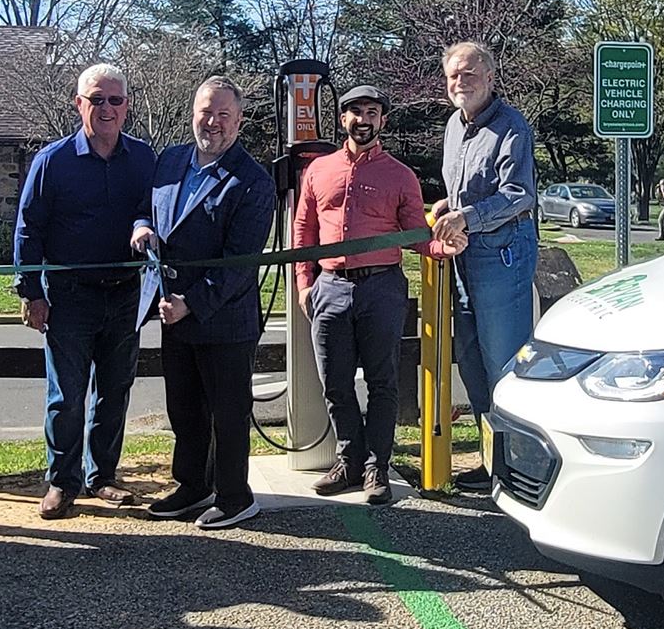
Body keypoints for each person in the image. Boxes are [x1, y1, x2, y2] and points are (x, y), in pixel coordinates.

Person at [294, 84, 453, 506]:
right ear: (342, 119)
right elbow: (304, 229)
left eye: (371, 113)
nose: (363, 120)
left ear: (382, 120)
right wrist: (305, 284)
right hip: (330, 287)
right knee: (335, 383)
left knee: (383, 382)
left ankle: (376, 467)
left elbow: (415, 235)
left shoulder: (400, 175)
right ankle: (348, 460)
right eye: (355, 112)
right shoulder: (319, 170)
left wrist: (442, 247)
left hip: (381, 287)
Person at [130, 77, 275, 530]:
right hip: (172, 313)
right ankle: (193, 486)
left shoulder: (253, 182)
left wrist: (190, 303)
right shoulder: (171, 160)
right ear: (193, 113)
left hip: (223, 318)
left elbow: (239, 264)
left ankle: (235, 497)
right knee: (185, 410)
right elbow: (146, 207)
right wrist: (141, 226)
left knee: (227, 414)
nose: (212, 122)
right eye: (205, 112)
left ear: (239, 121)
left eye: (223, 115)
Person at [14, 63, 157, 517]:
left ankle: (103, 477)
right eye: (97, 99)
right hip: (69, 296)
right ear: (79, 104)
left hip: (125, 294)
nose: (106, 108)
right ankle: (62, 481)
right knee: (66, 397)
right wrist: (31, 292)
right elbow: (28, 229)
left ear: (127, 106)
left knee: (115, 390)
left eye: (115, 100)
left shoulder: (144, 159)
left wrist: (143, 224)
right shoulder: (52, 161)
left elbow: (152, 209)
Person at [432, 41, 538, 496]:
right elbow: (465, 190)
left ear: (490, 78)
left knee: (503, 364)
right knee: (471, 360)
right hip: (463, 256)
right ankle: (493, 460)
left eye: (470, 74)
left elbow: (519, 195)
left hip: (502, 256)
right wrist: (448, 207)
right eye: (454, 75)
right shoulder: (454, 126)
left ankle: (519, 468)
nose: (461, 82)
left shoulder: (512, 126)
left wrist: (467, 216)